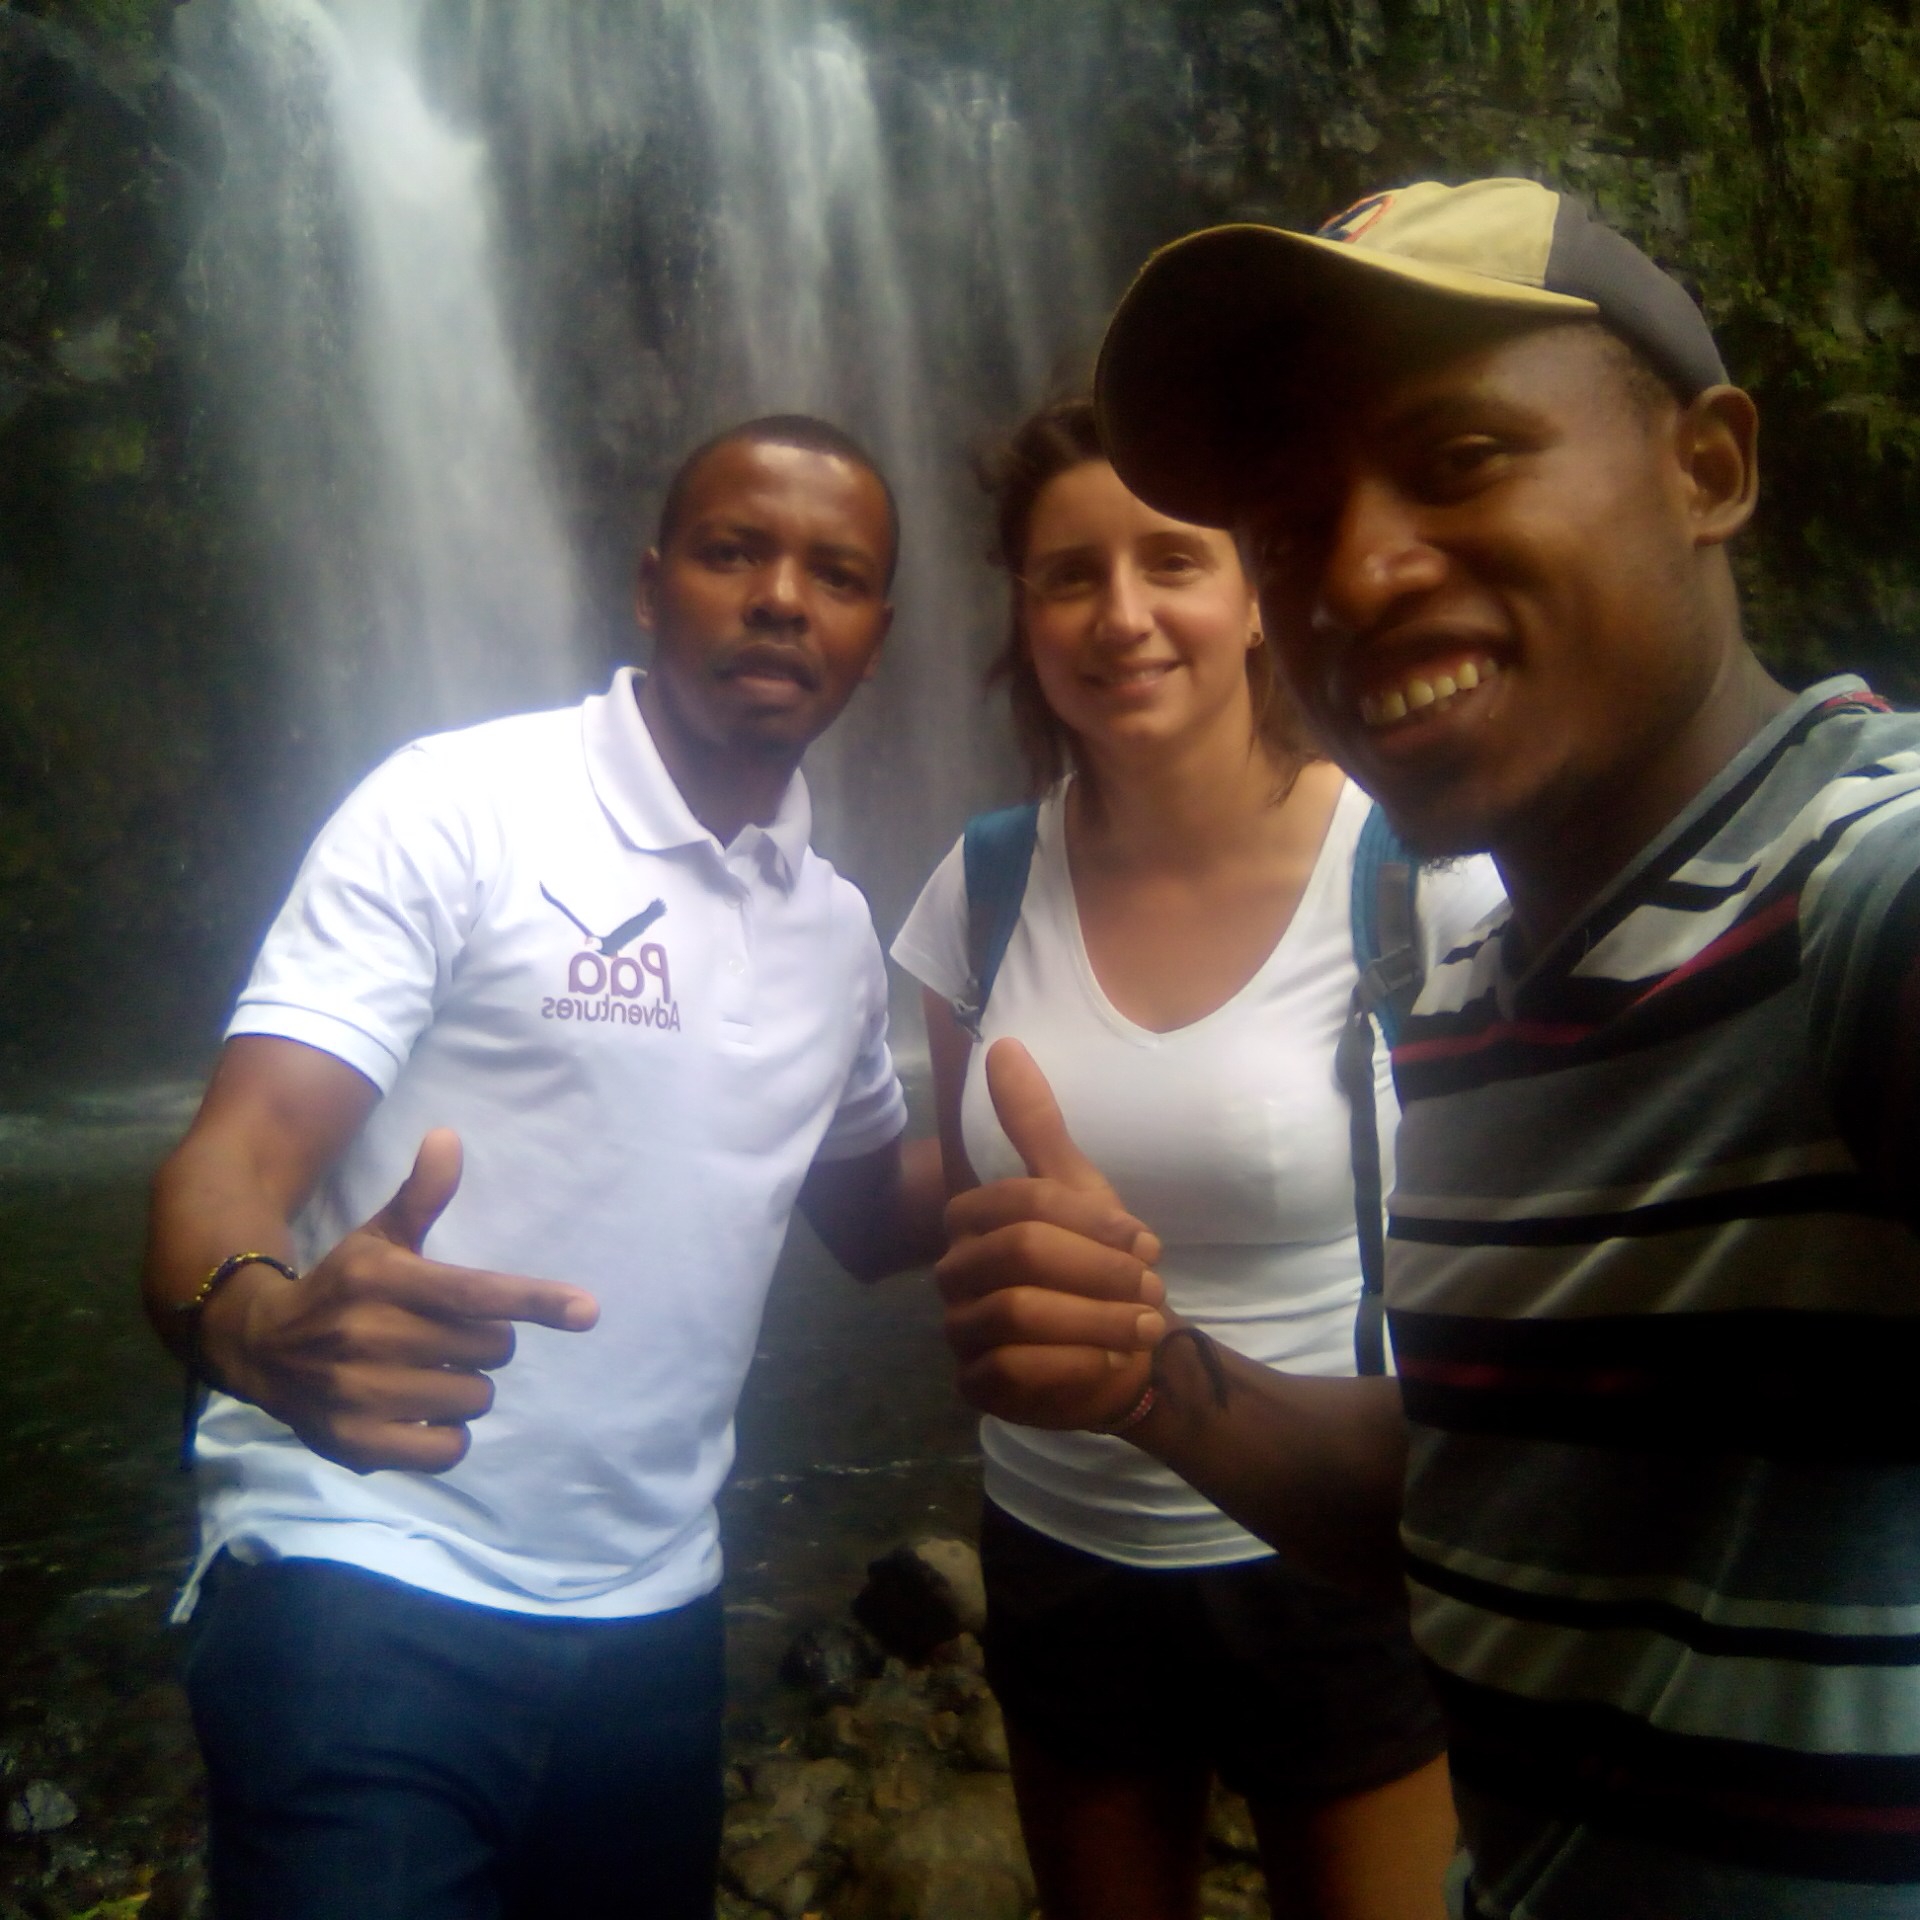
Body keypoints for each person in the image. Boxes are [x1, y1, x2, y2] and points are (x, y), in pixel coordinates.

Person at [935, 178, 1920, 1919]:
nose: (1360, 571)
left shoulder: (1849, 897)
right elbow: (1476, 1482)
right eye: (1295, 521)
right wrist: (1151, 1377)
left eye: (1458, 460)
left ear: (1709, 467)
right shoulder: (1468, 978)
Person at [143, 414, 946, 1920]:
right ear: (649, 587)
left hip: (656, 1618)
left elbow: (873, 1212)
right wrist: (256, 1325)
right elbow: (235, 1151)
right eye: (734, 552)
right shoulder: (459, 806)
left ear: (874, 637)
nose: (783, 598)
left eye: (834, 576)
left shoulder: (838, 932)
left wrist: (1131, 1118)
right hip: (360, 1571)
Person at [891, 395, 1502, 1920]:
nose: (1122, 616)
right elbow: (974, 1222)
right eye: (1069, 576)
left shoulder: (1414, 877)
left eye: (1172, 561)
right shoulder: (980, 889)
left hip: (1335, 1543)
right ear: (1024, 618)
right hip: (1055, 1540)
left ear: (1255, 599)